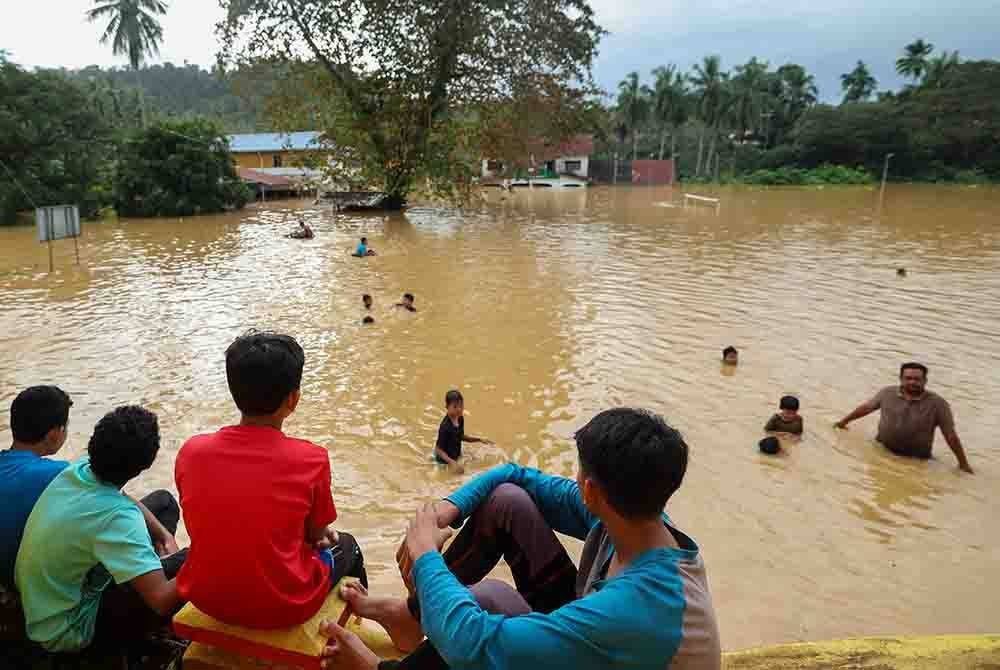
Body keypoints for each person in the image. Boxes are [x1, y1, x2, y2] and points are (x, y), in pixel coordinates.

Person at [320, 408, 722, 670]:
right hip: (610, 644)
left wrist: (427, 553)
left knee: (481, 609)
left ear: (592, 490)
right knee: (507, 503)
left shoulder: (635, 608)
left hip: (610, 635)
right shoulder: (638, 517)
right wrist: (450, 508)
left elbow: (472, 646)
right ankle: (411, 616)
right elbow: (512, 474)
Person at [174, 331, 367, 629]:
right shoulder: (310, 459)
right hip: (285, 606)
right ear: (293, 399)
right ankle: (354, 634)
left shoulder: (191, 452)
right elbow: (316, 535)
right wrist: (322, 537)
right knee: (348, 547)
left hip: (205, 596)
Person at [15, 406, 186, 653]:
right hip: (70, 628)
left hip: (45, 607)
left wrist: (164, 535)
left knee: (164, 502)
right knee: (196, 557)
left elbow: (122, 495)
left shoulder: (80, 469)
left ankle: (146, 570)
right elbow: (161, 602)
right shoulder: (117, 517)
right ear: (143, 467)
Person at [835, 362, 973, 474]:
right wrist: (843, 422)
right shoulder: (887, 393)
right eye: (908, 378)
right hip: (881, 451)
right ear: (901, 379)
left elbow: (950, 435)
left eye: (917, 379)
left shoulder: (938, 404)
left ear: (925, 381)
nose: (912, 382)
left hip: (916, 461)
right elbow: (866, 408)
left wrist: (963, 464)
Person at [0, 387, 73, 591]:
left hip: (8, 582)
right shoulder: (58, 474)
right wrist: (163, 536)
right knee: (163, 501)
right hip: (31, 585)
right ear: (53, 435)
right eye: (65, 427)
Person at [433, 390, 493, 474]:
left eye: (461, 406)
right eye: (455, 407)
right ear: (447, 407)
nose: (459, 409)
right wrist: (452, 463)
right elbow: (438, 450)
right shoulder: (445, 427)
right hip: (444, 462)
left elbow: (461, 436)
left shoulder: (460, 418)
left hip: (455, 456)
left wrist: (479, 439)